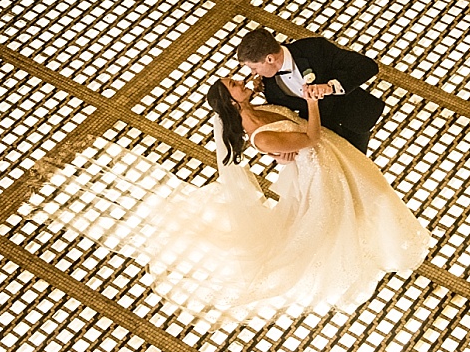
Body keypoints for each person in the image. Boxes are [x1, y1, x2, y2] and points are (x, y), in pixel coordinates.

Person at [131, 75, 429, 325]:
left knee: (369, 194)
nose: (240, 79)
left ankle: (385, 239)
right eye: (234, 83)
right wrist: (313, 104)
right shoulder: (259, 137)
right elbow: (310, 138)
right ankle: (382, 245)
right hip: (323, 168)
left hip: (331, 154)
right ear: (232, 101)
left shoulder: (258, 108)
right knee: (360, 203)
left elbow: (288, 130)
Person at [236, 28, 385, 154]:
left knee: (361, 167)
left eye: (254, 67)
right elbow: (285, 120)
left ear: (269, 59)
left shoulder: (314, 49)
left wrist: (330, 87)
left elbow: (367, 66)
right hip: (323, 135)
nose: (254, 73)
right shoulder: (269, 86)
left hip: (355, 117)